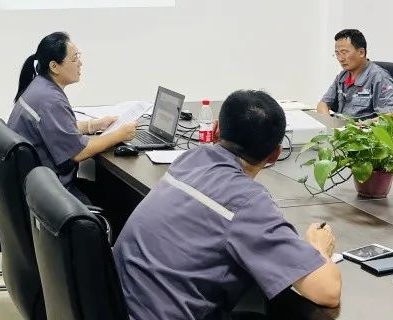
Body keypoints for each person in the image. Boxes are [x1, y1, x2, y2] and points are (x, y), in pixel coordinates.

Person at [114, 90, 340, 319]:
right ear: (275, 155)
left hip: (119, 306)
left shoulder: (188, 160)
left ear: (215, 130)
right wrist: (319, 247)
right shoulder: (246, 202)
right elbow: (327, 292)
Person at [7, 32, 136, 203]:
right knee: (121, 198)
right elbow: (78, 152)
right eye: (75, 59)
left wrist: (93, 125)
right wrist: (119, 135)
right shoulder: (51, 100)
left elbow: (55, 128)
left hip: (35, 185)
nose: (80, 63)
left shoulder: (40, 86)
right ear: (54, 66)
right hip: (51, 195)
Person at [317, 29, 393, 119]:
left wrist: (367, 124)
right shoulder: (342, 76)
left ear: (361, 52)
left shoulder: (379, 77)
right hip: (340, 125)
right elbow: (323, 104)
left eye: (344, 53)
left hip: (363, 127)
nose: (340, 59)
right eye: (337, 53)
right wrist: (328, 122)